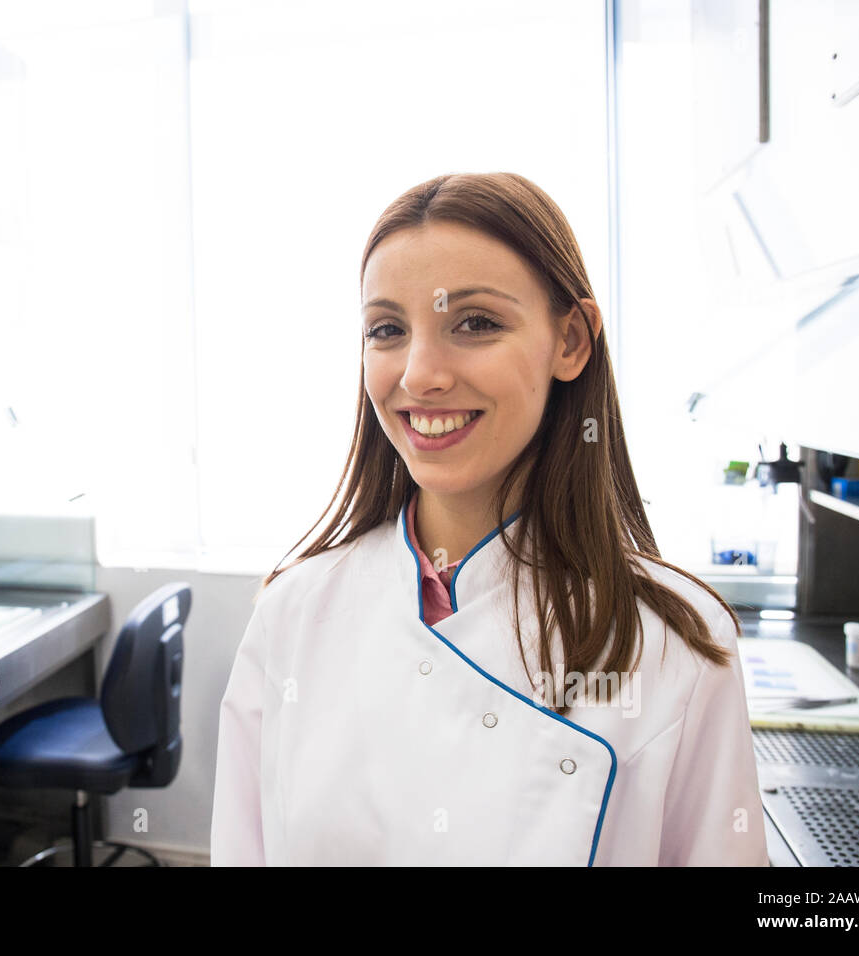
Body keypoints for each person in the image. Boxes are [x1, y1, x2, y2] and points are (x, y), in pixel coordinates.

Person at [210, 172, 768, 866]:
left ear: (570, 341)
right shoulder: (292, 615)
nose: (419, 375)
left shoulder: (675, 643)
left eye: (475, 323)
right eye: (387, 329)